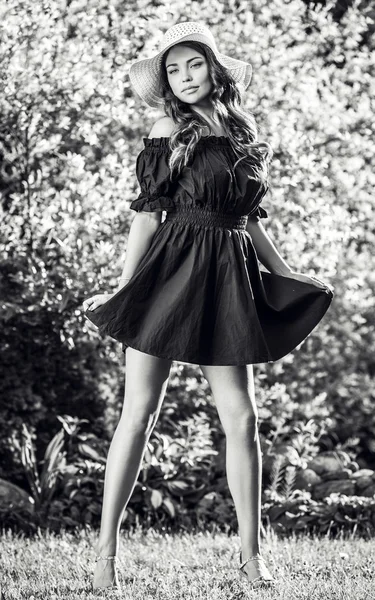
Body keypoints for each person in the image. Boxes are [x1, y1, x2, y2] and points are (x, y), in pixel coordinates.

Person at [82, 21, 334, 592]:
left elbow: (248, 221)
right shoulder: (168, 127)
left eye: (193, 64)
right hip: (169, 273)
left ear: (214, 69)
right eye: (174, 68)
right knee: (138, 414)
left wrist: (287, 273)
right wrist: (125, 289)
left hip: (228, 278)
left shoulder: (244, 130)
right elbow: (147, 215)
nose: (184, 76)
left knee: (242, 419)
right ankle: (105, 557)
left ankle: (252, 558)